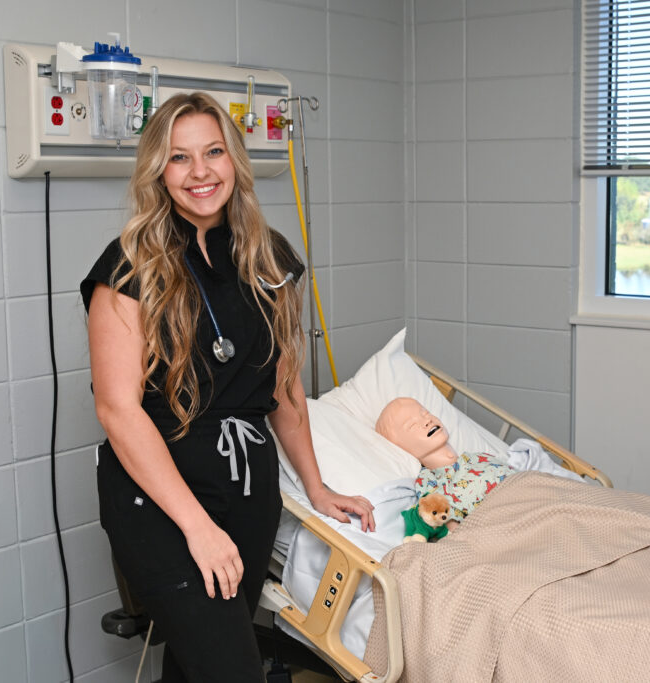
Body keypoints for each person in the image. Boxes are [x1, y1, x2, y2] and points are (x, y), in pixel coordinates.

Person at [81, 92, 374, 682]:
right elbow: (117, 411)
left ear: (234, 159)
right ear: (157, 171)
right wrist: (197, 527)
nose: (200, 172)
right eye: (179, 158)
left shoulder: (270, 258)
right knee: (231, 670)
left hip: (246, 494)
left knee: (196, 668)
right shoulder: (128, 267)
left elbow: (285, 390)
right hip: (162, 504)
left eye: (213, 152)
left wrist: (316, 488)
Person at [375, 397, 513, 523]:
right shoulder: (429, 483)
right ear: (400, 447)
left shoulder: (478, 457)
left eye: (425, 414)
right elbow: (449, 525)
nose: (427, 421)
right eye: (412, 425)